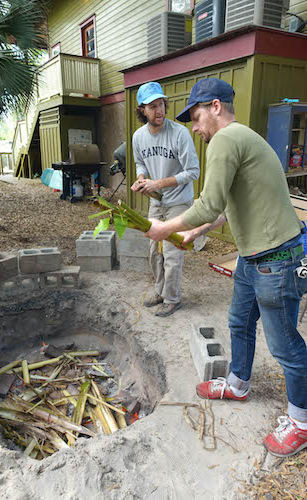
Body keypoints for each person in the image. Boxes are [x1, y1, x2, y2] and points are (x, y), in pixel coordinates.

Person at [145, 77, 307, 457]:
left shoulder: (225, 140)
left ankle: (301, 421)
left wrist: (166, 227)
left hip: (276, 260)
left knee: (285, 346)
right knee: (238, 321)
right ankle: (238, 383)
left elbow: (207, 201)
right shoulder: (242, 139)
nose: (196, 128)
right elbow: (224, 208)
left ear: (215, 107)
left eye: (198, 117)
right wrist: (196, 230)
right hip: (256, 259)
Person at [131, 81, 200, 317]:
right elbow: (140, 162)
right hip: (156, 201)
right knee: (154, 250)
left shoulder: (180, 133)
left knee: (172, 252)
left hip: (179, 201)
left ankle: (172, 299)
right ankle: (159, 291)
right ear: (142, 110)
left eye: (161, 104)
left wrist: (158, 183)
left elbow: (193, 171)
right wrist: (142, 179)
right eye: (152, 106)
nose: (159, 110)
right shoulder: (138, 137)